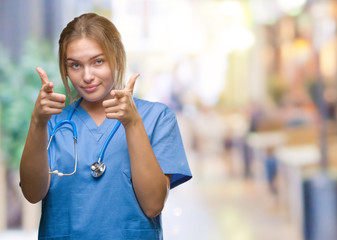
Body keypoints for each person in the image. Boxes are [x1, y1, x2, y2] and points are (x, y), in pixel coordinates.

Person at [20, 13, 192, 239]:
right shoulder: (52, 122)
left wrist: (132, 124)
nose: (87, 76)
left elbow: (153, 205)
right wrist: (37, 122)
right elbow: (32, 194)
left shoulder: (157, 118)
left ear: (117, 59)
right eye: (75, 65)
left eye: (98, 61)